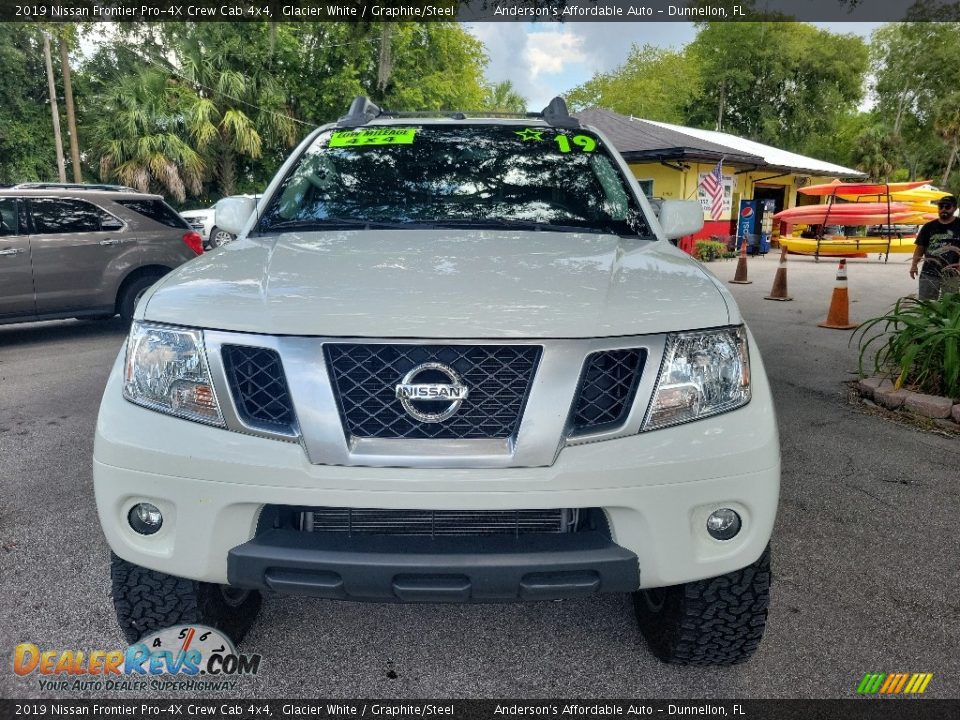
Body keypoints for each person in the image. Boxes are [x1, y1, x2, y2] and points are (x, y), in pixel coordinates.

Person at [910, 195, 960, 299]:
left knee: (949, 307)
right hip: (929, 273)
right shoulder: (929, 226)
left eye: (947, 207)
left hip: (952, 275)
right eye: (941, 206)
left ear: (955, 208)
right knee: (927, 306)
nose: (943, 209)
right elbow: (920, 248)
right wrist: (914, 265)